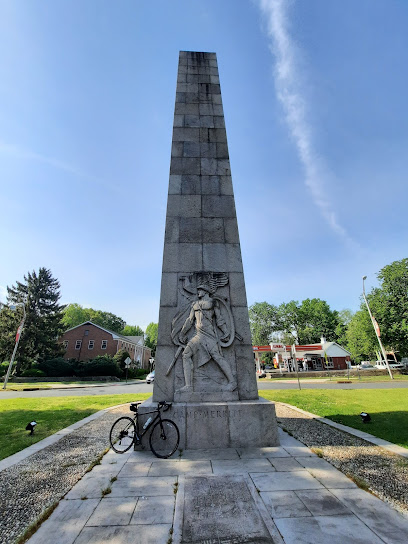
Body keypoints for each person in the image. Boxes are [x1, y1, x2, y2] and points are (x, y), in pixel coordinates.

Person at [178, 284, 237, 392]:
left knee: (217, 357)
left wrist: (226, 332)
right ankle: (189, 386)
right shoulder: (195, 304)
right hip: (198, 335)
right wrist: (183, 333)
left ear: (205, 291)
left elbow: (219, 319)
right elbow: (190, 320)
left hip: (209, 336)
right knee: (186, 355)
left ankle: (232, 382)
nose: (198, 291)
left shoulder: (213, 303)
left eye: (200, 289)